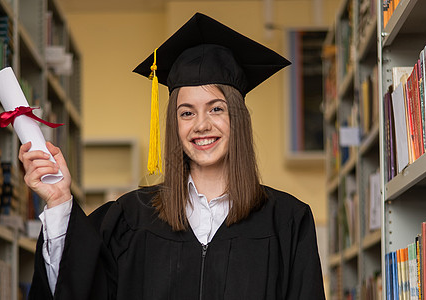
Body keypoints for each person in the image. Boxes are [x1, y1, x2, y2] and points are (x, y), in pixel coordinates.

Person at [19, 12, 326, 300]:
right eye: (186, 112)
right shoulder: (130, 218)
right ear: (173, 124)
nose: (201, 125)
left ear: (238, 117)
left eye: (216, 108)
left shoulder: (287, 221)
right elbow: (78, 289)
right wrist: (59, 201)